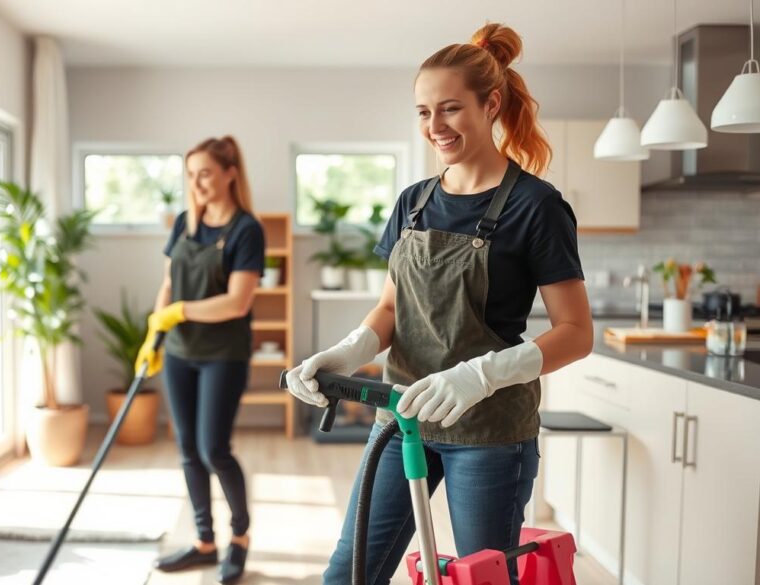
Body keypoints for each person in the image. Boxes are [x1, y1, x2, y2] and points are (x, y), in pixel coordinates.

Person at [285, 23, 594, 585]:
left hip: (489, 431)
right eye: (424, 112)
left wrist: (480, 375)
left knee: (480, 577)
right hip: (400, 416)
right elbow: (389, 310)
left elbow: (576, 332)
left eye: (449, 109)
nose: (435, 127)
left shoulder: (537, 206)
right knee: (350, 572)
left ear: (490, 103)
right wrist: (345, 353)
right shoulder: (414, 201)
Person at [138, 136, 265, 584]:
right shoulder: (184, 224)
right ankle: (204, 541)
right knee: (188, 450)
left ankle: (241, 537)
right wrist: (156, 330)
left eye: (205, 173)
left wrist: (181, 312)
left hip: (222, 355)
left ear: (230, 173)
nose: (196, 183)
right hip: (179, 353)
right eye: (190, 175)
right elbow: (169, 284)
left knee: (214, 449)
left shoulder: (247, 229)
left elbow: (237, 302)